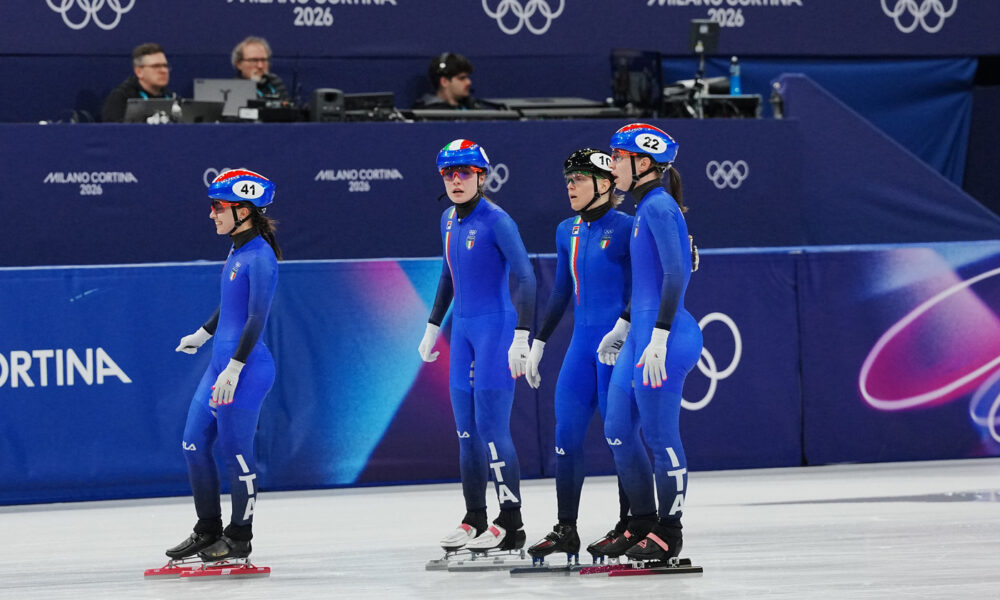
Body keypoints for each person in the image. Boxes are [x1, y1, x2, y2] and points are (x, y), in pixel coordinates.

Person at [418, 139, 536, 553]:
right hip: (463, 333)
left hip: (495, 332)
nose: (455, 180)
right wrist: (433, 326)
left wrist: (522, 335)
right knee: (466, 434)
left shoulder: (497, 220)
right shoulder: (447, 219)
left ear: (482, 177)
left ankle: (511, 522)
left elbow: (526, 277)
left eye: (464, 172)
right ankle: (474, 518)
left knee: (492, 430)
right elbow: (449, 277)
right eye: (449, 173)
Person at [523, 148, 636, 563]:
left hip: (615, 347)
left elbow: (644, 285)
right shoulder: (564, 230)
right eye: (567, 180)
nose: (569, 187)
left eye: (579, 180)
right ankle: (566, 529)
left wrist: (625, 329)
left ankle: (632, 525)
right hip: (580, 348)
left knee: (619, 438)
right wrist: (539, 341)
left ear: (605, 184)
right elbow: (560, 291)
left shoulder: (628, 228)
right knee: (566, 438)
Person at [598, 123, 703, 564]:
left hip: (666, 337)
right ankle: (640, 520)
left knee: (660, 436)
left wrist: (657, 336)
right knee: (618, 430)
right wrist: (623, 328)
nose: (613, 164)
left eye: (618, 158)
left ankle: (670, 530)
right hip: (641, 334)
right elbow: (646, 282)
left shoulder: (659, 207)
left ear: (642, 163)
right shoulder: (644, 208)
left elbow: (677, 275)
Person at [167, 169, 282, 565]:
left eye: (218, 207)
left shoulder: (262, 257)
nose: (212, 214)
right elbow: (232, 306)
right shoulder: (236, 248)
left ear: (244, 211)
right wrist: (202, 333)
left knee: (235, 451)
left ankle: (240, 537)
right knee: (193, 444)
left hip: (246, 370)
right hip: (220, 363)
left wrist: (234, 368)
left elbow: (255, 318)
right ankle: (207, 529)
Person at [102, 43, 176, 122]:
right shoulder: (121, 97)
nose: (163, 71)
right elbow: (111, 131)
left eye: (165, 66)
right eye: (156, 66)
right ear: (139, 72)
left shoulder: (171, 97)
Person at [413, 53, 484, 110]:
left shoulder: (474, 107)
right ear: (444, 82)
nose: (469, 82)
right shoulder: (427, 114)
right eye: (462, 78)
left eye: (467, 77)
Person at [232, 36, 291, 103]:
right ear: (238, 64)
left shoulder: (275, 82)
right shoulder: (235, 90)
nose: (260, 66)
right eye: (254, 60)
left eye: (263, 60)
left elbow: (288, 109)